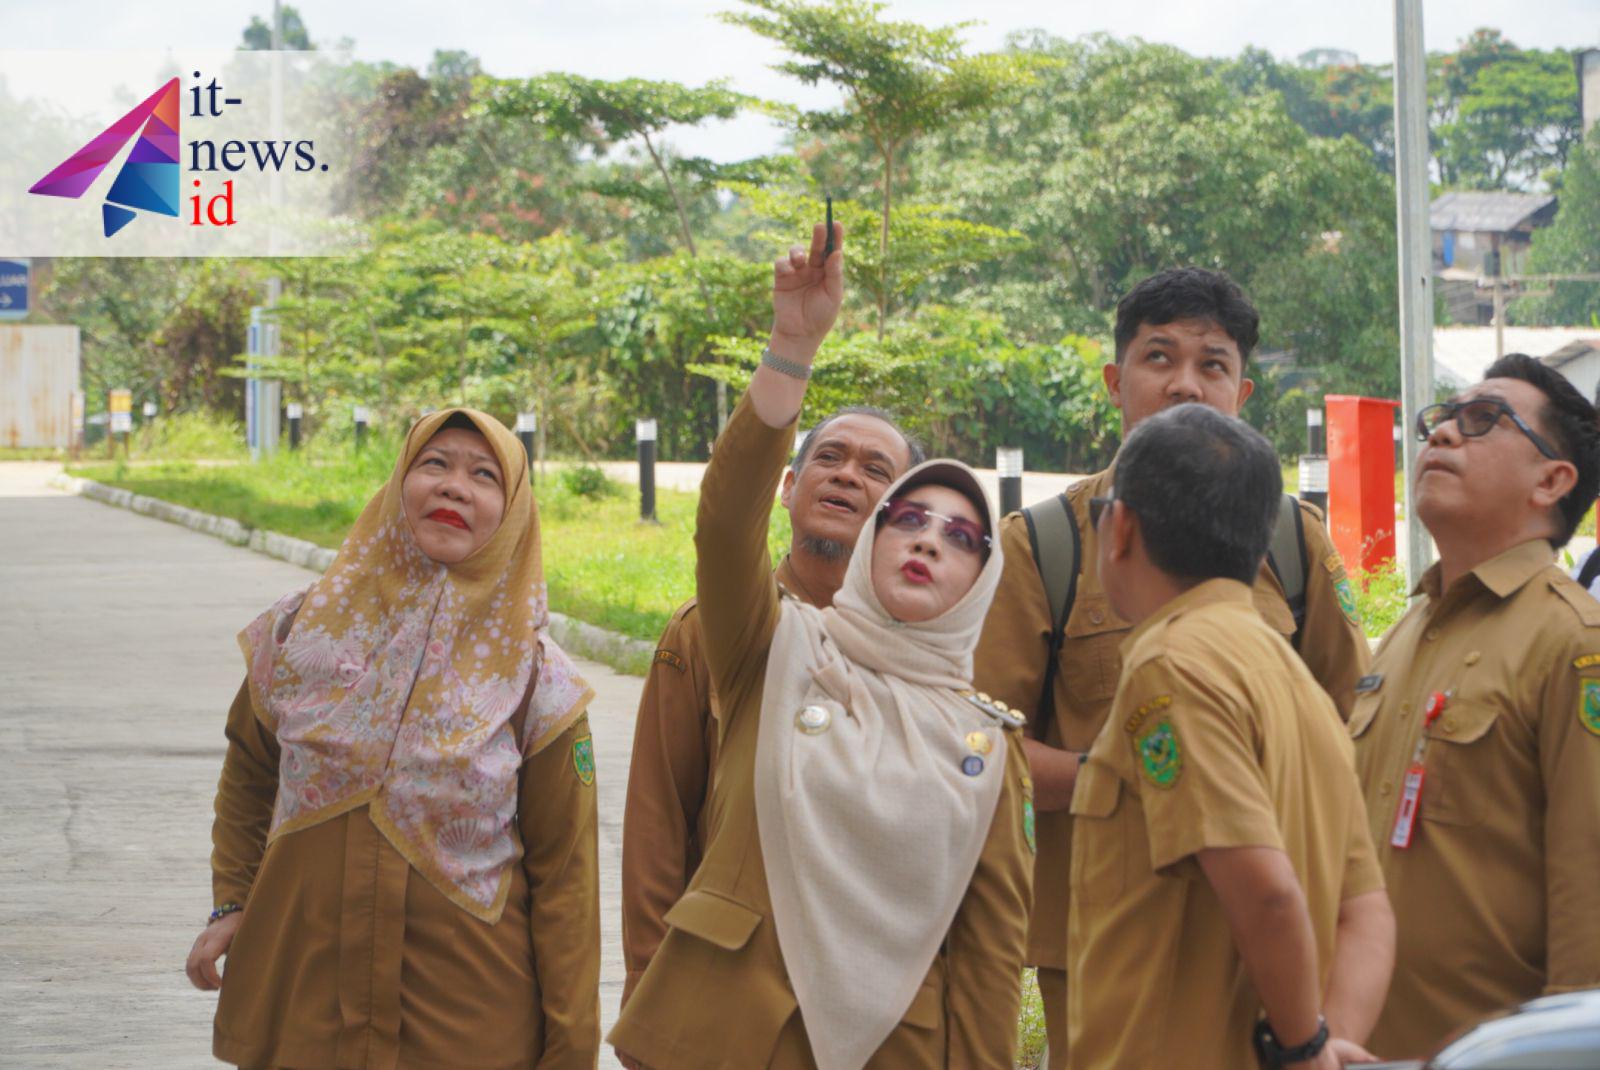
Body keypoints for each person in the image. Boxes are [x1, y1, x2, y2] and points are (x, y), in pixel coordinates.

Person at [609, 222, 1033, 1069]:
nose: (927, 541)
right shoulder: (771, 646)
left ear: (981, 579)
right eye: (909, 519)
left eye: (958, 537)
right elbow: (723, 524)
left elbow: (989, 962)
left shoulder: (986, 741)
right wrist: (791, 348)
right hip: (729, 1039)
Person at [972, 267, 1371, 1064]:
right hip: (1115, 946)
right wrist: (1128, 777)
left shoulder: (1293, 541)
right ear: (1115, 382)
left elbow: (1354, 716)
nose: (1186, 384)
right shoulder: (1044, 544)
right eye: (1159, 357)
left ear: (1241, 394)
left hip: (1281, 946)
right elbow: (982, 745)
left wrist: (1325, 1036)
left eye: (1212, 365)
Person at [186, 408, 601, 1069]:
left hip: (463, 1024)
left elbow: (567, 882)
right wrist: (231, 902)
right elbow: (249, 770)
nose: (454, 486)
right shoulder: (301, 632)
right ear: (397, 485)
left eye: (484, 475)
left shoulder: (536, 682)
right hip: (305, 1001)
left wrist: (570, 1050)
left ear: (513, 512)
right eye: (434, 464)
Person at [1068, 403, 1394, 1070]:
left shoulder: (1170, 665)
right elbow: (1366, 912)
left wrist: (1303, 1048)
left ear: (1120, 528)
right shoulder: (1299, 684)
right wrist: (1329, 1044)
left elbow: (1265, 890)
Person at [620, 404, 922, 1006]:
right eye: (829, 458)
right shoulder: (706, 633)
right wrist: (651, 985)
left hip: (874, 987)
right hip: (736, 984)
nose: (846, 475)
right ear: (787, 488)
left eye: (875, 469)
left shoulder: (927, 654)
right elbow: (659, 821)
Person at [1351, 354, 1600, 1058]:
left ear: (1551, 481)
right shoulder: (1404, 632)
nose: (1443, 434)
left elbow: (1591, 890)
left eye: (1484, 419)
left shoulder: (1575, 642)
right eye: (1443, 418)